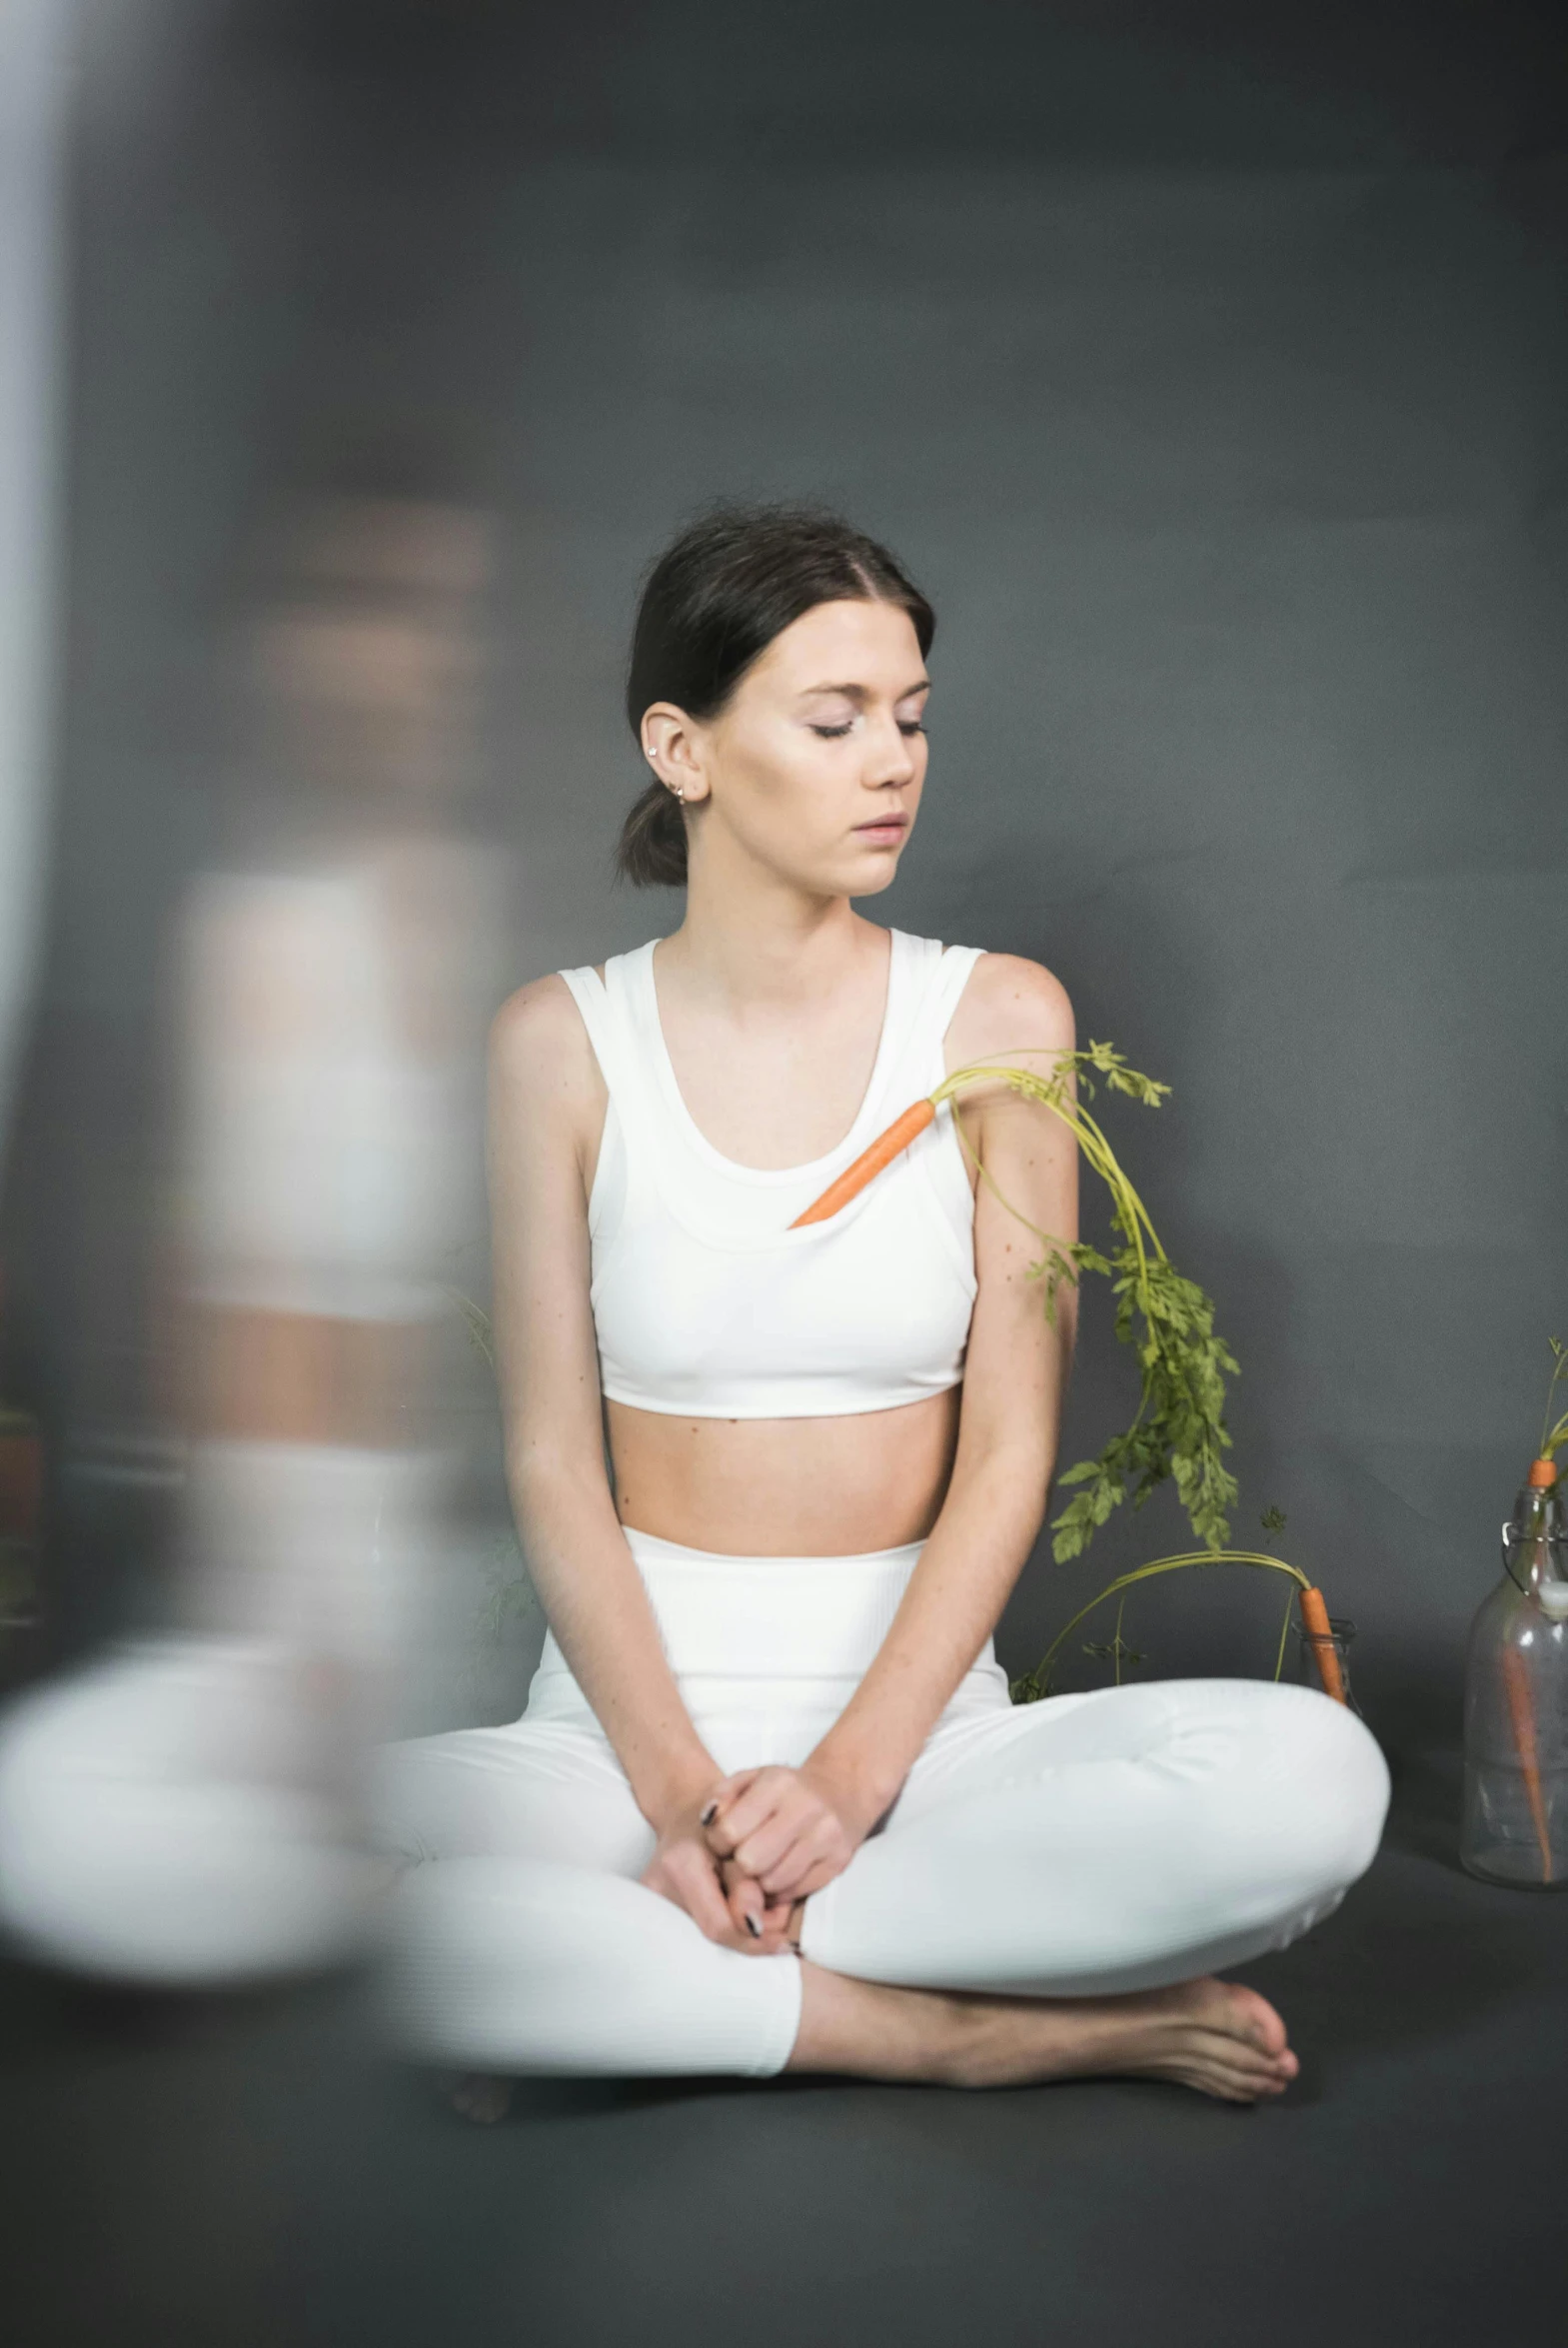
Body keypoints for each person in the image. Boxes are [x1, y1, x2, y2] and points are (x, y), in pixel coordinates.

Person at [380, 506, 1389, 2106]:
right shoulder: (555, 1044)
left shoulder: (996, 1018)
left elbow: (1008, 1455)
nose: (894, 761)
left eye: (912, 718)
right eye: (835, 719)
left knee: (1322, 1783)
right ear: (682, 746)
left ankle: (635, 1984)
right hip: (613, 1749)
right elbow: (555, 1466)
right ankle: (951, 2030)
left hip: (925, 1748)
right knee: (279, 1868)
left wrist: (847, 1786)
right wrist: (679, 1802)